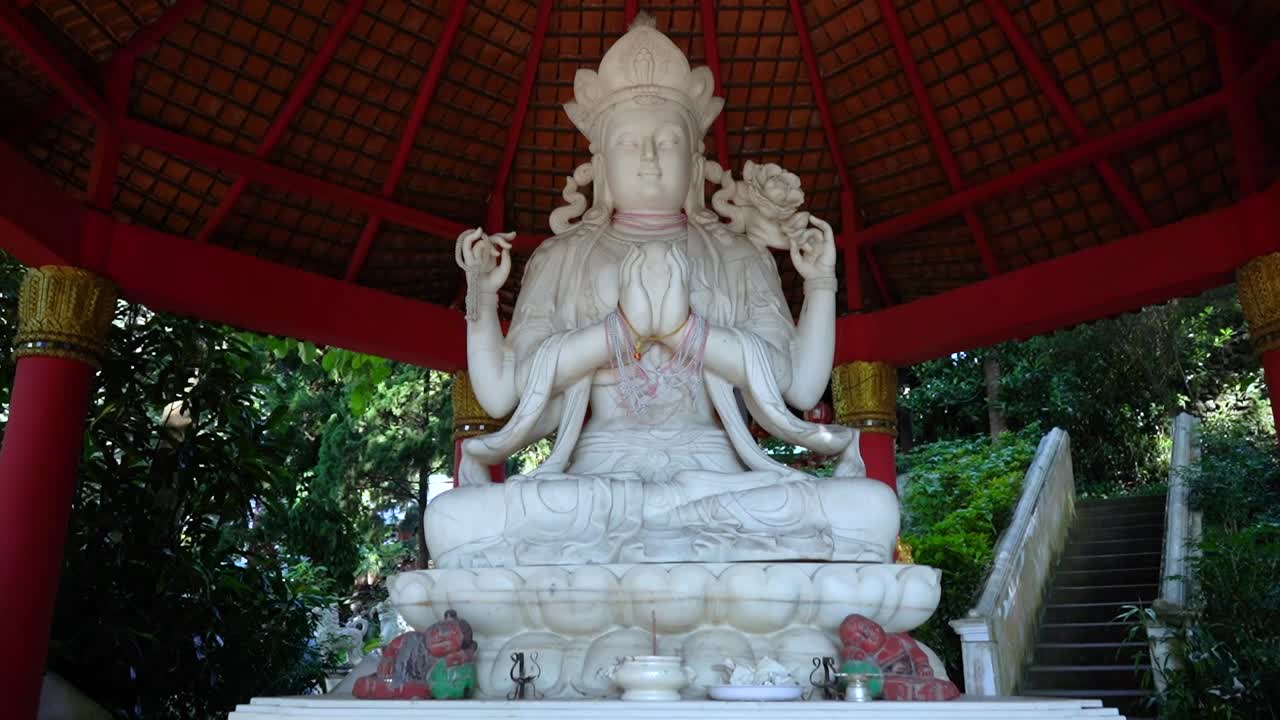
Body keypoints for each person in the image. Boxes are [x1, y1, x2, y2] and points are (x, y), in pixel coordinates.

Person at [427, 14, 897, 569]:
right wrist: (604, 330)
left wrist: (815, 285)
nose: (649, 157)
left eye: (668, 142)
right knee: (453, 519)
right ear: (600, 162)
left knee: (871, 508)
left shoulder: (736, 255)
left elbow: (797, 386)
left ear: (695, 162)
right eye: (629, 143)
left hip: (716, 480)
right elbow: (505, 395)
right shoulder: (562, 258)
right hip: (596, 482)